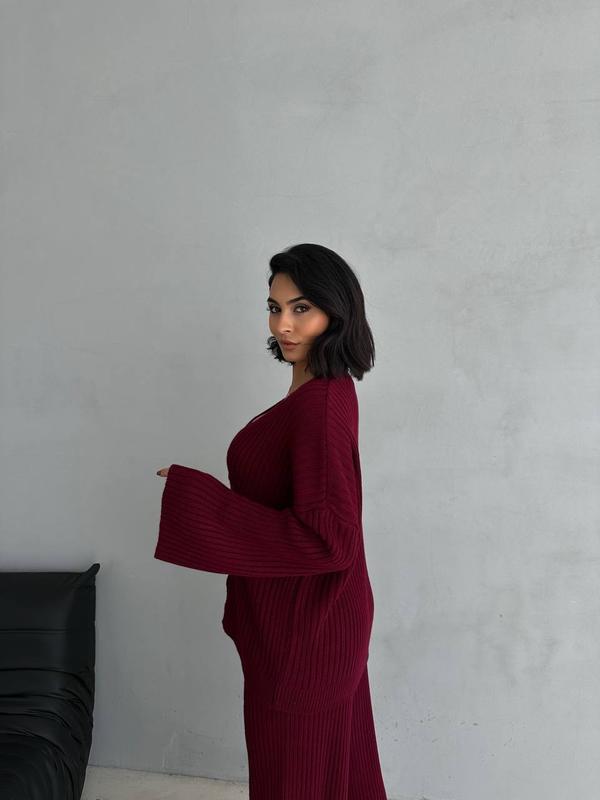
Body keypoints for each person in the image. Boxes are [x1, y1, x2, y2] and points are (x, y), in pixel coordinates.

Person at [154, 243, 388, 799]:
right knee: (327, 778)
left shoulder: (320, 407)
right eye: (274, 307)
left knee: (297, 782)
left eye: (301, 308)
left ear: (337, 311)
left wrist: (199, 500)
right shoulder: (319, 388)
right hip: (306, 625)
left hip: (309, 638)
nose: (283, 324)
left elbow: (330, 540)